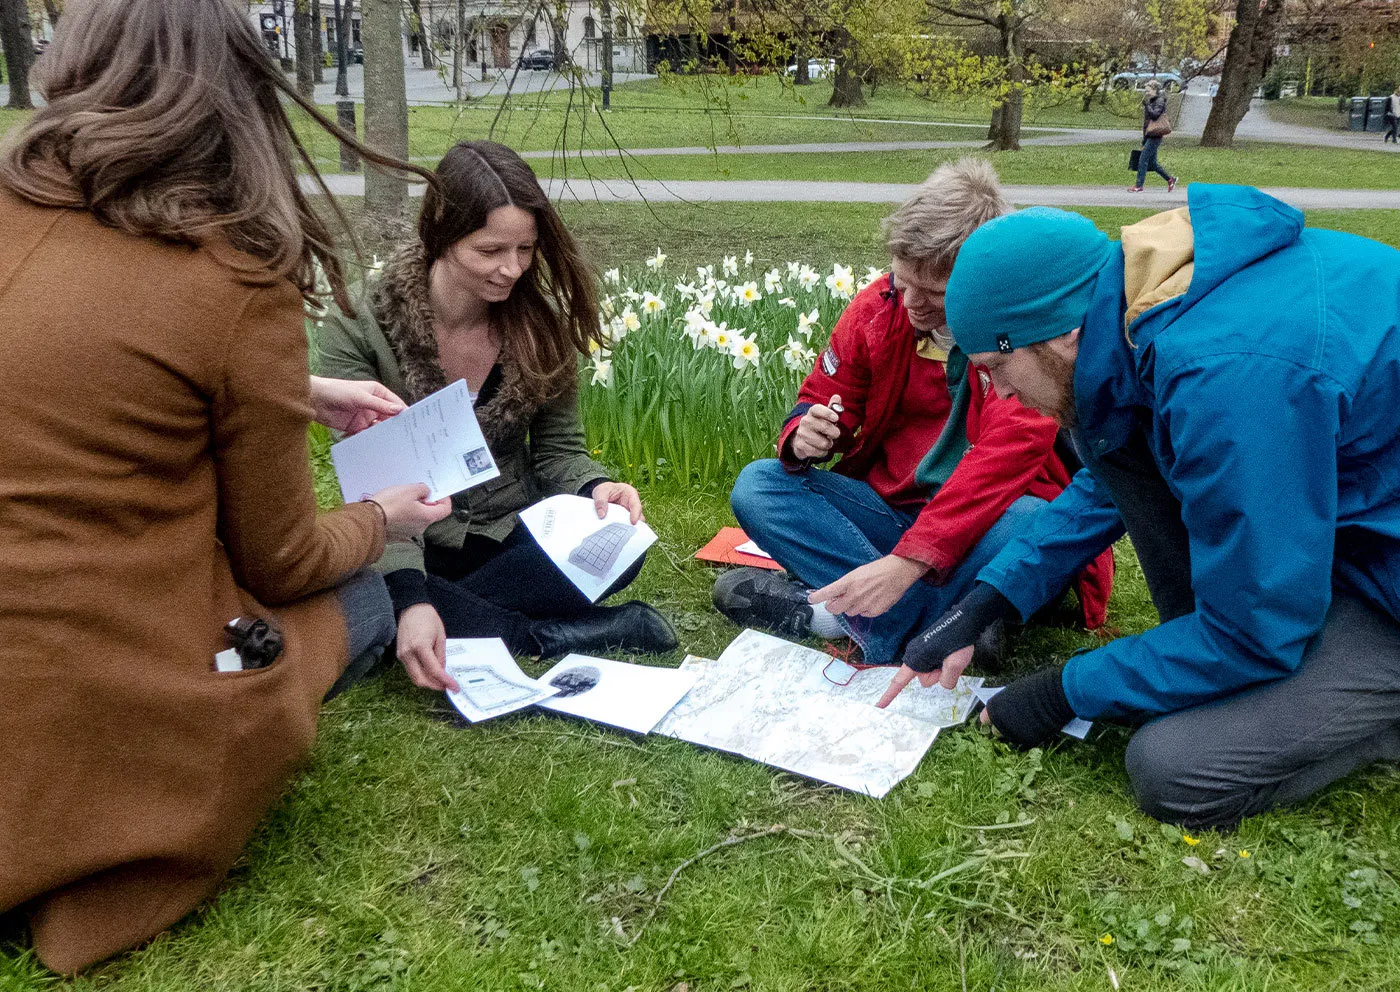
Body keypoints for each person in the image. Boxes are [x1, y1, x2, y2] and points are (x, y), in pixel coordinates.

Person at [0, 0, 452, 973]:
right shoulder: (232, 275)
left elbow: (87, 376)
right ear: (233, 95)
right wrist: (384, 515)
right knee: (366, 591)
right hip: (95, 692)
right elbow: (282, 558)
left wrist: (293, 389)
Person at [879, 185, 1400, 830]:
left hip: (1386, 583)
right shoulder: (1143, 306)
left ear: (1059, 336)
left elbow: (1254, 632)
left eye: (994, 366)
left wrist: (1060, 691)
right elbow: (1114, 476)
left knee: (1174, 765)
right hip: (1359, 529)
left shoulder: (1227, 376)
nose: (999, 393)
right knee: (1193, 675)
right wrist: (986, 602)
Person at [714, 159, 1115, 666]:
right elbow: (824, 391)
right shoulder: (878, 306)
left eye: (934, 293)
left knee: (1036, 521)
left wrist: (907, 562)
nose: (910, 304)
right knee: (762, 485)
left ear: (979, 281)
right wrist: (805, 432)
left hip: (988, 522)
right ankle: (952, 624)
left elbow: (1001, 463)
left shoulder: (1018, 338)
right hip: (890, 512)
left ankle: (846, 619)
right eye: (902, 282)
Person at [317, 140, 677, 695]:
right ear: (441, 234)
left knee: (617, 545)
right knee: (372, 590)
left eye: (526, 249)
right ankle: (544, 635)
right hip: (414, 536)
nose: (512, 269)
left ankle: (451, 619)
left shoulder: (539, 325)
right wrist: (411, 594)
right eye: (490, 250)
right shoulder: (359, 326)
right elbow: (378, 488)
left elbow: (559, 450)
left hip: (512, 532)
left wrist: (598, 486)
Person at [1131, 80, 1178, 193]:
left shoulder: (1160, 101)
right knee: (1152, 163)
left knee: (1142, 159)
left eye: (1148, 90)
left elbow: (1155, 115)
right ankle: (1170, 179)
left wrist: (1147, 106)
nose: (1146, 93)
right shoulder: (1153, 101)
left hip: (1156, 135)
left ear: (1154, 89)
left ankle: (1139, 185)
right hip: (1149, 134)